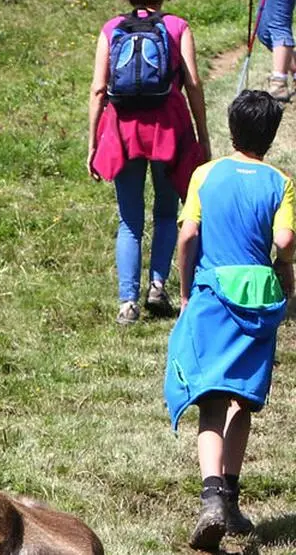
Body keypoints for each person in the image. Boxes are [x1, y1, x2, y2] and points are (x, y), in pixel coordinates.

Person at [163, 90, 294, 551]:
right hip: (257, 301)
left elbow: (189, 235)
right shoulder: (281, 181)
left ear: (231, 127)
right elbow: (284, 239)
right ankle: (232, 500)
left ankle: (212, 499)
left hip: (212, 295)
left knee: (211, 403)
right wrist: (284, 272)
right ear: (273, 135)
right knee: (243, 402)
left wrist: (183, 293)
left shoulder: (205, 174)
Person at [87, 0, 211, 324]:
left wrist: (94, 141)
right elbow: (193, 84)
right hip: (167, 127)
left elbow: (98, 89)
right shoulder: (177, 26)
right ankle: (157, 285)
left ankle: (127, 302)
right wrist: (202, 137)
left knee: (129, 220)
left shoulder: (112, 29)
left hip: (123, 128)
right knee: (165, 212)